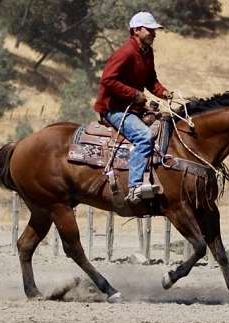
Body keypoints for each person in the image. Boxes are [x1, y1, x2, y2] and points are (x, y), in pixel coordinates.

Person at [94, 11, 172, 204]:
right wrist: (134, 94)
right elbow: (108, 79)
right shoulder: (126, 52)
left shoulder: (147, 52)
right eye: (150, 30)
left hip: (132, 108)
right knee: (144, 137)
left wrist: (163, 92)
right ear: (136, 30)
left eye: (155, 31)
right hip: (114, 109)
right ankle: (135, 186)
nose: (154, 34)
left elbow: (150, 80)